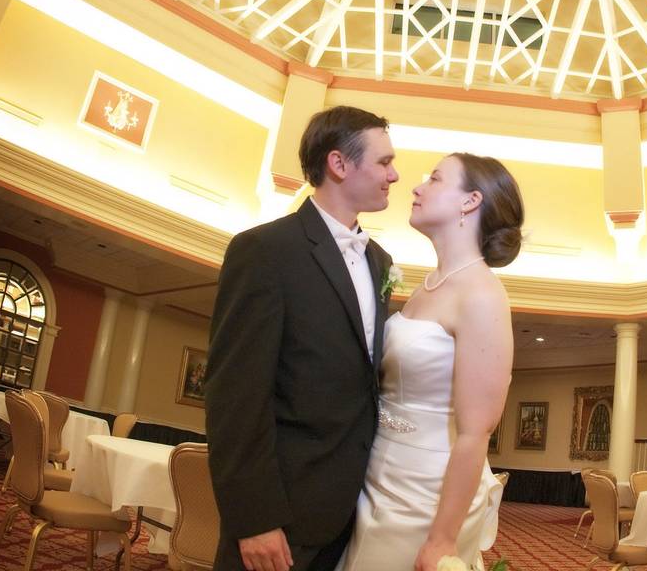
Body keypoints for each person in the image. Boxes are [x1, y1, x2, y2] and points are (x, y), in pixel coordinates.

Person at [205, 106, 399, 571]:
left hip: (353, 515)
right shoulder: (265, 250)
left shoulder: (380, 262)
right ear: (339, 164)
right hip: (281, 515)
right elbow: (236, 396)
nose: (394, 175)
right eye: (384, 162)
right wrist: (255, 518)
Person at [336, 152, 524, 571]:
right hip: (380, 472)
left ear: (469, 201)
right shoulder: (426, 288)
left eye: (435, 179)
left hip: (428, 489)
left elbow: (476, 431)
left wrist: (442, 539)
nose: (417, 188)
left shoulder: (482, 294)